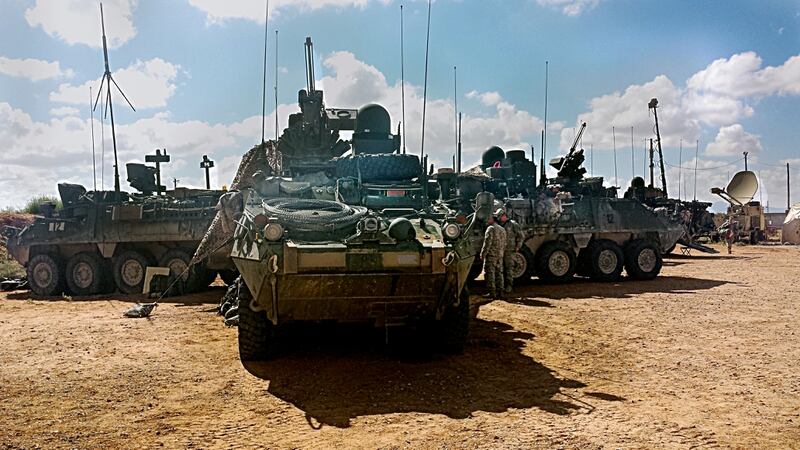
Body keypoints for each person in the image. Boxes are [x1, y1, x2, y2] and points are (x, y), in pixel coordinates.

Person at [480, 213, 506, 299]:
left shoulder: (490, 228)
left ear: (492, 219)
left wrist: (483, 254)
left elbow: (487, 243)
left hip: (491, 255)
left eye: (488, 219)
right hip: (500, 255)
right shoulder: (502, 229)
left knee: (490, 274)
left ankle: (492, 293)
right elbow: (504, 243)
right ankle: (501, 292)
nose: (487, 220)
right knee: (499, 273)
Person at [498, 209, 525, 293]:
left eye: (500, 216)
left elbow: (521, 236)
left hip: (510, 250)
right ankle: (500, 286)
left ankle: (509, 285)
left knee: (509, 268)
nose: (499, 218)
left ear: (504, 215)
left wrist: (518, 246)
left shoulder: (513, 224)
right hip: (500, 250)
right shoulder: (499, 225)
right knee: (500, 268)